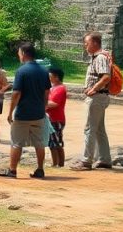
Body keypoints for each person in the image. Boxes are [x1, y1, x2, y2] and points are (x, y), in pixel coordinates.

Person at [0, 43, 50, 179]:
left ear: (24, 53)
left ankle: (13, 170)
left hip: (23, 114)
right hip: (38, 113)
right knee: (39, 143)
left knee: (16, 142)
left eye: (19, 53)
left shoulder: (22, 71)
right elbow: (46, 93)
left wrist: (10, 112)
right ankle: (40, 169)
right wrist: (43, 107)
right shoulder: (43, 71)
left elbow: (16, 94)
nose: (18, 55)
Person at [70, 32, 113, 171]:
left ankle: (86, 160)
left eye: (87, 43)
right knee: (99, 129)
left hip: (97, 97)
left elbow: (106, 77)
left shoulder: (100, 57)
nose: (85, 45)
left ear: (95, 43)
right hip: (100, 97)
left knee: (89, 129)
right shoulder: (99, 57)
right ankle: (104, 159)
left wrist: (93, 89)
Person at [46, 67, 67, 168]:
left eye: (50, 76)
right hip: (51, 118)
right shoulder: (52, 88)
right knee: (52, 142)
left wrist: (41, 103)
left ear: (56, 77)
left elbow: (54, 104)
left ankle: (58, 164)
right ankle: (56, 163)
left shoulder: (60, 88)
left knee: (56, 142)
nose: (48, 77)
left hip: (56, 119)